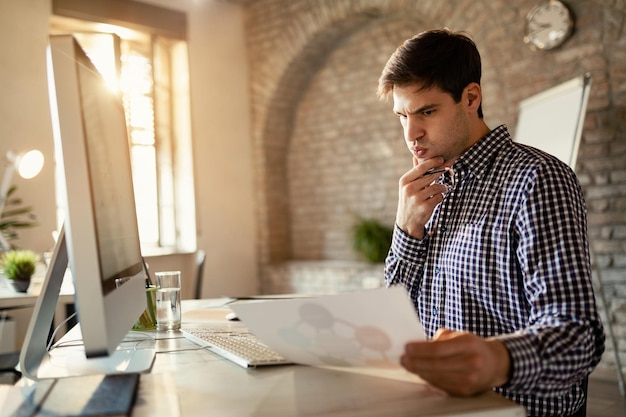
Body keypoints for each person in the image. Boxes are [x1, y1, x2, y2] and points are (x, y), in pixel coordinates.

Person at [377, 29, 605, 417]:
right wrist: (406, 232)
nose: (411, 134)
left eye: (426, 112)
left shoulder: (537, 179)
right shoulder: (425, 191)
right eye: (402, 116)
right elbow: (393, 314)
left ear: (470, 98)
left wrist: (496, 360)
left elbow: (577, 335)